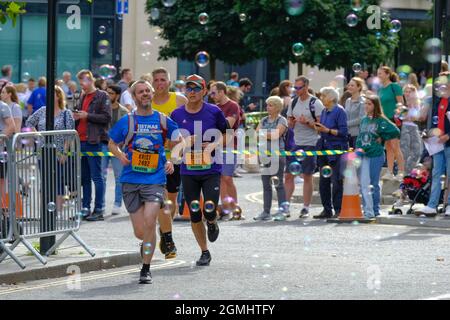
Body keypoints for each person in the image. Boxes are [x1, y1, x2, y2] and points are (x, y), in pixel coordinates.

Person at [108, 80, 181, 284]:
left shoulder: (162, 120)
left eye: (148, 90)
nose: (145, 94)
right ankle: (151, 239)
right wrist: (121, 156)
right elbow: (112, 143)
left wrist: (172, 160)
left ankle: (146, 269)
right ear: (134, 96)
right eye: (141, 92)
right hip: (130, 179)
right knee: (141, 231)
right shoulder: (128, 121)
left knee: (150, 220)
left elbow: (180, 141)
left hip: (154, 179)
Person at [171, 74, 227, 267]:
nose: (192, 92)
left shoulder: (214, 111)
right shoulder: (177, 114)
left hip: (211, 168)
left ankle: (212, 221)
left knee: (209, 207)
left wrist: (212, 146)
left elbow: (227, 134)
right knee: (194, 214)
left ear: (204, 91)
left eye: (196, 88)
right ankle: (204, 251)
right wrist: (184, 143)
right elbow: (171, 142)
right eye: (189, 88)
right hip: (188, 170)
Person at [151, 67, 188, 259]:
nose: (159, 83)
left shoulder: (180, 100)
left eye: (163, 80)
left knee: (171, 201)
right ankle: (168, 238)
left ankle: (164, 228)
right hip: (153, 159)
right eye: (156, 80)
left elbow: (189, 123)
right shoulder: (147, 101)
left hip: (175, 156)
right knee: (160, 199)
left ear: (169, 81)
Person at [26, 86, 75, 214]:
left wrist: (64, 152)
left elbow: (69, 135)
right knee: (45, 181)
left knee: (58, 181)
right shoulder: (42, 110)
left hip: (59, 152)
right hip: (43, 152)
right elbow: (29, 122)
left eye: (52, 93)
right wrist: (36, 134)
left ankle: (57, 212)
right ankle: (45, 211)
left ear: (59, 96)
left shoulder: (66, 113)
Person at [73, 69, 112, 221]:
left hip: (94, 140)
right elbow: (78, 118)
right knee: (84, 178)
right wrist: (75, 116)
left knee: (97, 177)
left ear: (92, 80)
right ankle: (85, 208)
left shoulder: (102, 95)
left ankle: (99, 209)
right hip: (80, 140)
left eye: (85, 80)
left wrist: (87, 115)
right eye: (80, 81)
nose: (82, 83)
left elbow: (107, 117)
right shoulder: (81, 95)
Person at [286, 76, 325, 218]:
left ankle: (306, 207)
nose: (296, 90)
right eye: (294, 87)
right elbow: (290, 120)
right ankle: (286, 206)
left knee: (307, 176)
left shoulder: (316, 103)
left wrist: (307, 122)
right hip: (296, 143)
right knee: (288, 175)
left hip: (311, 143)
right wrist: (291, 123)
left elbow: (321, 127)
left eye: (299, 87)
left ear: (306, 87)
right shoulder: (293, 102)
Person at [356, 95, 399, 218]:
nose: (366, 106)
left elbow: (395, 130)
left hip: (375, 155)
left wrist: (384, 137)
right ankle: (367, 210)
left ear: (375, 105)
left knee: (373, 183)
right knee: (364, 184)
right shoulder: (364, 120)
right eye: (365, 103)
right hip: (363, 154)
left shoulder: (381, 120)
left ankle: (375, 210)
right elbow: (360, 137)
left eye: (369, 104)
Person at [313, 87, 348, 219]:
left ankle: (338, 209)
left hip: (336, 149)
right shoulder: (324, 111)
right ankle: (327, 209)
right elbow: (323, 130)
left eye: (323, 95)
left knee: (337, 181)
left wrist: (327, 130)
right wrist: (317, 127)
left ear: (331, 98)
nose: (321, 97)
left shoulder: (340, 111)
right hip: (323, 148)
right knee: (324, 181)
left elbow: (344, 133)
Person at [415, 89, 450, 216]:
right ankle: (432, 205)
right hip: (437, 143)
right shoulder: (438, 101)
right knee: (436, 173)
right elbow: (435, 121)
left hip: (447, 142)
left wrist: (448, 135)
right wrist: (428, 133)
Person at [209, 82, 241, 220]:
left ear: (222, 92)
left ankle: (235, 208)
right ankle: (226, 209)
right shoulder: (214, 107)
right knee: (220, 179)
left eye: (214, 92)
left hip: (229, 147)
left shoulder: (232, 105)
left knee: (228, 178)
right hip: (216, 147)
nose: (211, 95)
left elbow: (228, 125)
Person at [254, 96, 288, 221]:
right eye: (267, 105)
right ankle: (266, 211)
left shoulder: (282, 120)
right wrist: (266, 134)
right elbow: (256, 134)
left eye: (270, 105)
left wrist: (263, 134)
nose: (267, 107)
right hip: (264, 155)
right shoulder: (263, 119)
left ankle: (282, 211)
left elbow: (276, 135)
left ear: (277, 107)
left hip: (277, 155)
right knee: (266, 185)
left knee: (278, 184)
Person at [102, 85, 129, 216]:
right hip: (103, 145)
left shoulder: (123, 111)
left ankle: (117, 203)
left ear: (117, 95)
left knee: (119, 176)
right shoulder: (102, 109)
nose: (108, 96)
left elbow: (127, 130)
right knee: (101, 176)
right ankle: (100, 205)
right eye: (106, 93)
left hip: (118, 146)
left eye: (111, 93)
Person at [377, 66, 405, 181]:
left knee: (395, 147)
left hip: (393, 120)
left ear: (388, 74)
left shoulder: (395, 86)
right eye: (378, 74)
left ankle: (401, 172)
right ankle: (389, 171)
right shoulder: (380, 89)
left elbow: (401, 103)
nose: (378, 76)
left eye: (380, 74)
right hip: (384, 120)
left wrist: (396, 117)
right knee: (388, 147)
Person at [400, 84, 422, 175]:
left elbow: (419, 118)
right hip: (405, 128)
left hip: (415, 128)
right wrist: (412, 117)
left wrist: (412, 117)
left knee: (416, 152)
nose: (408, 94)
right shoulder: (401, 104)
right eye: (406, 91)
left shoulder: (417, 104)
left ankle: (408, 172)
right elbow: (403, 118)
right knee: (404, 152)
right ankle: (402, 172)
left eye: (410, 91)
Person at [345, 77, 366, 149]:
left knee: (357, 158)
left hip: (357, 134)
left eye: (352, 85)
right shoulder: (348, 100)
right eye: (349, 85)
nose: (349, 87)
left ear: (359, 87)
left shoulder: (363, 102)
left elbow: (361, 119)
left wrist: (346, 124)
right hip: (347, 134)